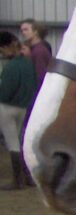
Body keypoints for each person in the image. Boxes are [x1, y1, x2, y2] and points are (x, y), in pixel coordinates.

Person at [0, 31, 36, 190]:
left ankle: (17, 180)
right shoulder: (28, 64)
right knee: (20, 141)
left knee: (12, 142)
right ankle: (27, 176)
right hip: (23, 107)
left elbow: (5, 92)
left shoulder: (11, 67)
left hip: (7, 108)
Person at [19, 19, 52, 90]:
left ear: (36, 31)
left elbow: (40, 76)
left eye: (26, 30)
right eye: (22, 30)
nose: (23, 33)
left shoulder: (39, 51)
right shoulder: (34, 49)